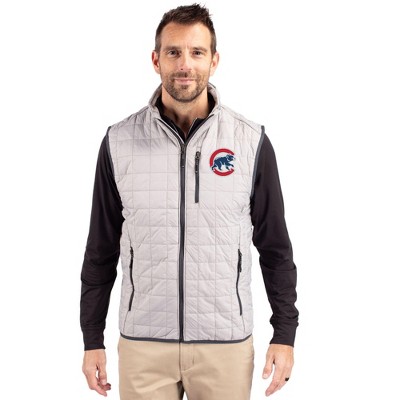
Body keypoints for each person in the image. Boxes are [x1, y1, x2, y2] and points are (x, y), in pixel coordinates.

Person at [80, 4, 298, 399]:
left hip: (225, 346)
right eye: (173, 52)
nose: (185, 64)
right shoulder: (119, 142)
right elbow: (100, 249)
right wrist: (91, 337)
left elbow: (275, 248)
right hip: (144, 344)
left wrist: (284, 333)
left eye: (197, 52)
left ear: (214, 61)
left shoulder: (250, 142)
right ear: (156, 60)